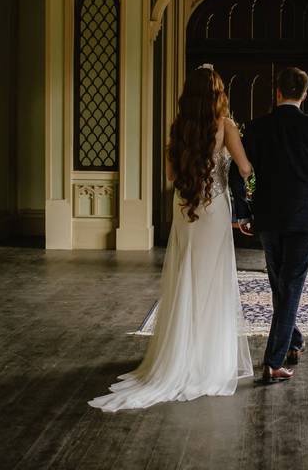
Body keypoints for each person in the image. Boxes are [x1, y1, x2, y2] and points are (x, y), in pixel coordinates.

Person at [89, 65, 253, 412]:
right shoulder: (225, 127)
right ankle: (208, 359)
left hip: (186, 209)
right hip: (215, 210)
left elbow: (170, 175)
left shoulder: (179, 128)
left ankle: (182, 354)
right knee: (212, 282)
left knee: (187, 279)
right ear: (217, 95)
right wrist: (250, 192)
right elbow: (245, 169)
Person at [231, 66, 308, 384]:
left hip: (267, 218)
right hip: (303, 220)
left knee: (282, 285)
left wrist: (242, 212)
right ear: (304, 95)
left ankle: (293, 340)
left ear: (277, 92)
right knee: (288, 286)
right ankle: (273, 361)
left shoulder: (256, 128)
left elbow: (239, 172)